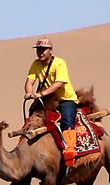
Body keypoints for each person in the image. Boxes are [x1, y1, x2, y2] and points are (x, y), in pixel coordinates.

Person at [24, 37, 80, 167]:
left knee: (67, 121)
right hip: (47, 99)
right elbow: (29, 82)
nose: (41, 52)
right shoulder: (36, 64)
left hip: (65, 99)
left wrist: (40, 94)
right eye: (39, 50)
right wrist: (28, 92)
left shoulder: (59, 63)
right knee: (33, 115)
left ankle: (69, 151)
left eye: (44, 50)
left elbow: (59, 84)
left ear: (50, 50)